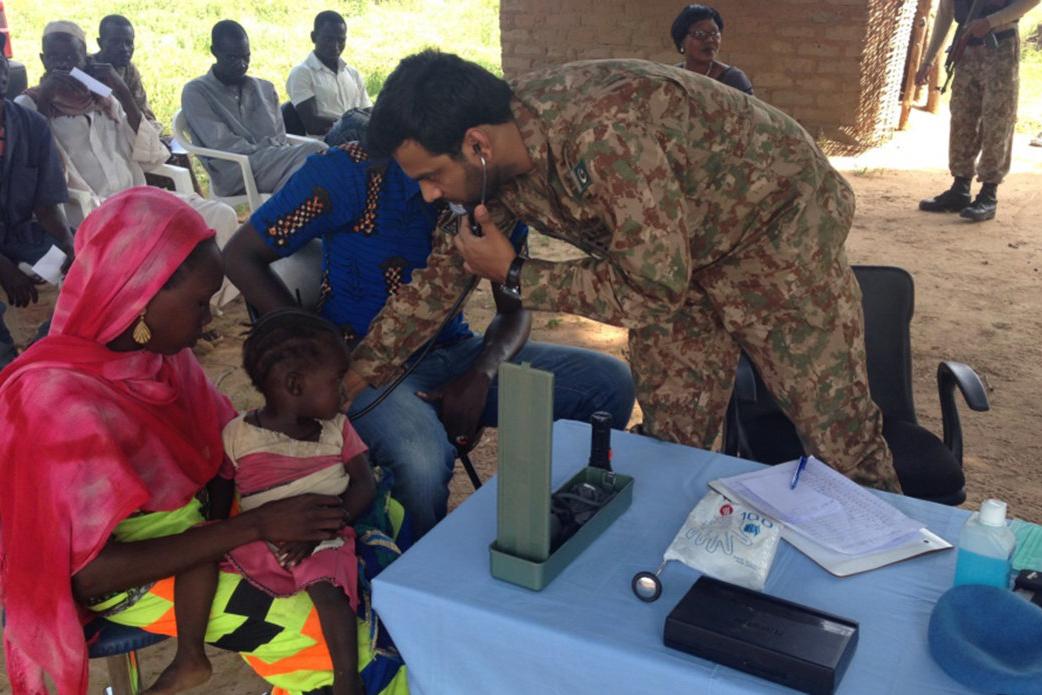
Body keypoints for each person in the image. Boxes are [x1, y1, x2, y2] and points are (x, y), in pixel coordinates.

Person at [366, 51, 901, 492]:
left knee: (839, 437)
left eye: (432, 176)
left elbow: (653, 290)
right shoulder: (492, 165)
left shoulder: (602, 133)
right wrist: (357, 375)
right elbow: (441, 278)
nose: (428, 194)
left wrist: (517, 274)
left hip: (778, 233)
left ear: (476, 145)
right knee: (672, 440)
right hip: (672, 258)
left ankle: (888, 573)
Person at [0, 187, 409, 695]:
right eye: (200, 303)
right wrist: (257, 524)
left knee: (376, 529)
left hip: (208, 518)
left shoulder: (160, 359)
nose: (210, 318)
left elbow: (225, 454)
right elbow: (89, 576)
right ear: (141, 296)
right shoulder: (53, 403)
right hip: (136, 573)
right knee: (330, 638)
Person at [223, 139, 635, 536]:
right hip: (360, 368)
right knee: (419, 459)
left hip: (454, 351)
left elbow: (514, 305)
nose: (431, 193)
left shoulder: (488, 190)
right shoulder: (345, 173)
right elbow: (241, 255)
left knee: (607, 384)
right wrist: (314, 352)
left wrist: (482, 372)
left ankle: (553, 529)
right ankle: (408, 567)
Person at [17, 21, 239, 304]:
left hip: (139, 199)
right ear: (42, 60)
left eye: (71, 57)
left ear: (85, 58)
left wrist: (121, 91)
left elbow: (152, 152)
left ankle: (203, 303)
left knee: (221, 214)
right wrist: (45, 100)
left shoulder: (101, 96)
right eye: (53, 57)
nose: (62, 64)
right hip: (93, 211)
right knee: (146, 239)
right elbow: (37, 168)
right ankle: (164, 307)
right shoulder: (31, 104)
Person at [218, 309, 374, 695]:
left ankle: (346, 681)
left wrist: (325, 528)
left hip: (324, 532)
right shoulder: (237, 435)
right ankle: (190, 654)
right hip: (259, 536)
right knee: (202, 571)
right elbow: (223, 498)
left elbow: (364, 484)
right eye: (336, 380)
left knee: (327, 591)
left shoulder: (338, 428)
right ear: (294, 385)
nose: (345, 390)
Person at [915, 0, 1040, 221]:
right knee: (962, 117)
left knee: (997, 118)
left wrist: (992, 21)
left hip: (1000, 44)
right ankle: (960, 188)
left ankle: (988, 195)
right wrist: (928, 60)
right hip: (966, 46)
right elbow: (945, 12)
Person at [182, 20, 326, 198]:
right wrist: (269, 151)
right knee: (315, 155)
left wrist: (275, 152)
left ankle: (283, 209)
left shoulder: (264, 89)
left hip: (275, 162)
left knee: (318, 163)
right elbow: (222, 145)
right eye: (232, 58)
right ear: (214, 52)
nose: (242, 64)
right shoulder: (197, 92)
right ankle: (283, 208)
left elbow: (279, 137)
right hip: (235, 169)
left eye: (246, 57)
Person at [0, 35, 74, 367]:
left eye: (1, 63)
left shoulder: (31, 125)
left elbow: (47, 204)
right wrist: (4, 267)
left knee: (82, 270)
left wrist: (70, 246)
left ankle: (43, 350)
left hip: (20, 234)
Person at [287, 11, 371, 138]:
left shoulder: (353, 74)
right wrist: (349, 123)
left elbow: (367, 111)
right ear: (314, 37)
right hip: (325, 144)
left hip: (358, 139)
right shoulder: (302, 73)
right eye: (328, 39)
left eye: (341, 40)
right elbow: (312, 124)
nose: (335, 46)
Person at [670, 4, 753, 95]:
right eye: (700, 34)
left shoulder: (733, 79)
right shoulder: (671, 77)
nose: (710, 40)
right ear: (681, 40)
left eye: (714, 34)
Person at [92, 14, 157, 126]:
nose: (124, 49)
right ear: (100, 43)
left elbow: (145, 115)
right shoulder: (88, 70)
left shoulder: (129, 71)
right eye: (115, 42)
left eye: (129, 42)